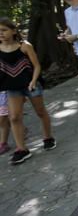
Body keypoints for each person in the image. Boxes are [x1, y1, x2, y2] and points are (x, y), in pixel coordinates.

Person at [0, 18, 56, 164]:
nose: (1, 33)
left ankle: (48, 137)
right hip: (12, 88)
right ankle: (22, 149)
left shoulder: (24, 46)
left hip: (31, 85)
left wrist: (33, 81)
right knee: (14, 117)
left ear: (13, 31)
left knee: (40, 112)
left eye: (4, 30)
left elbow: (37, 66)